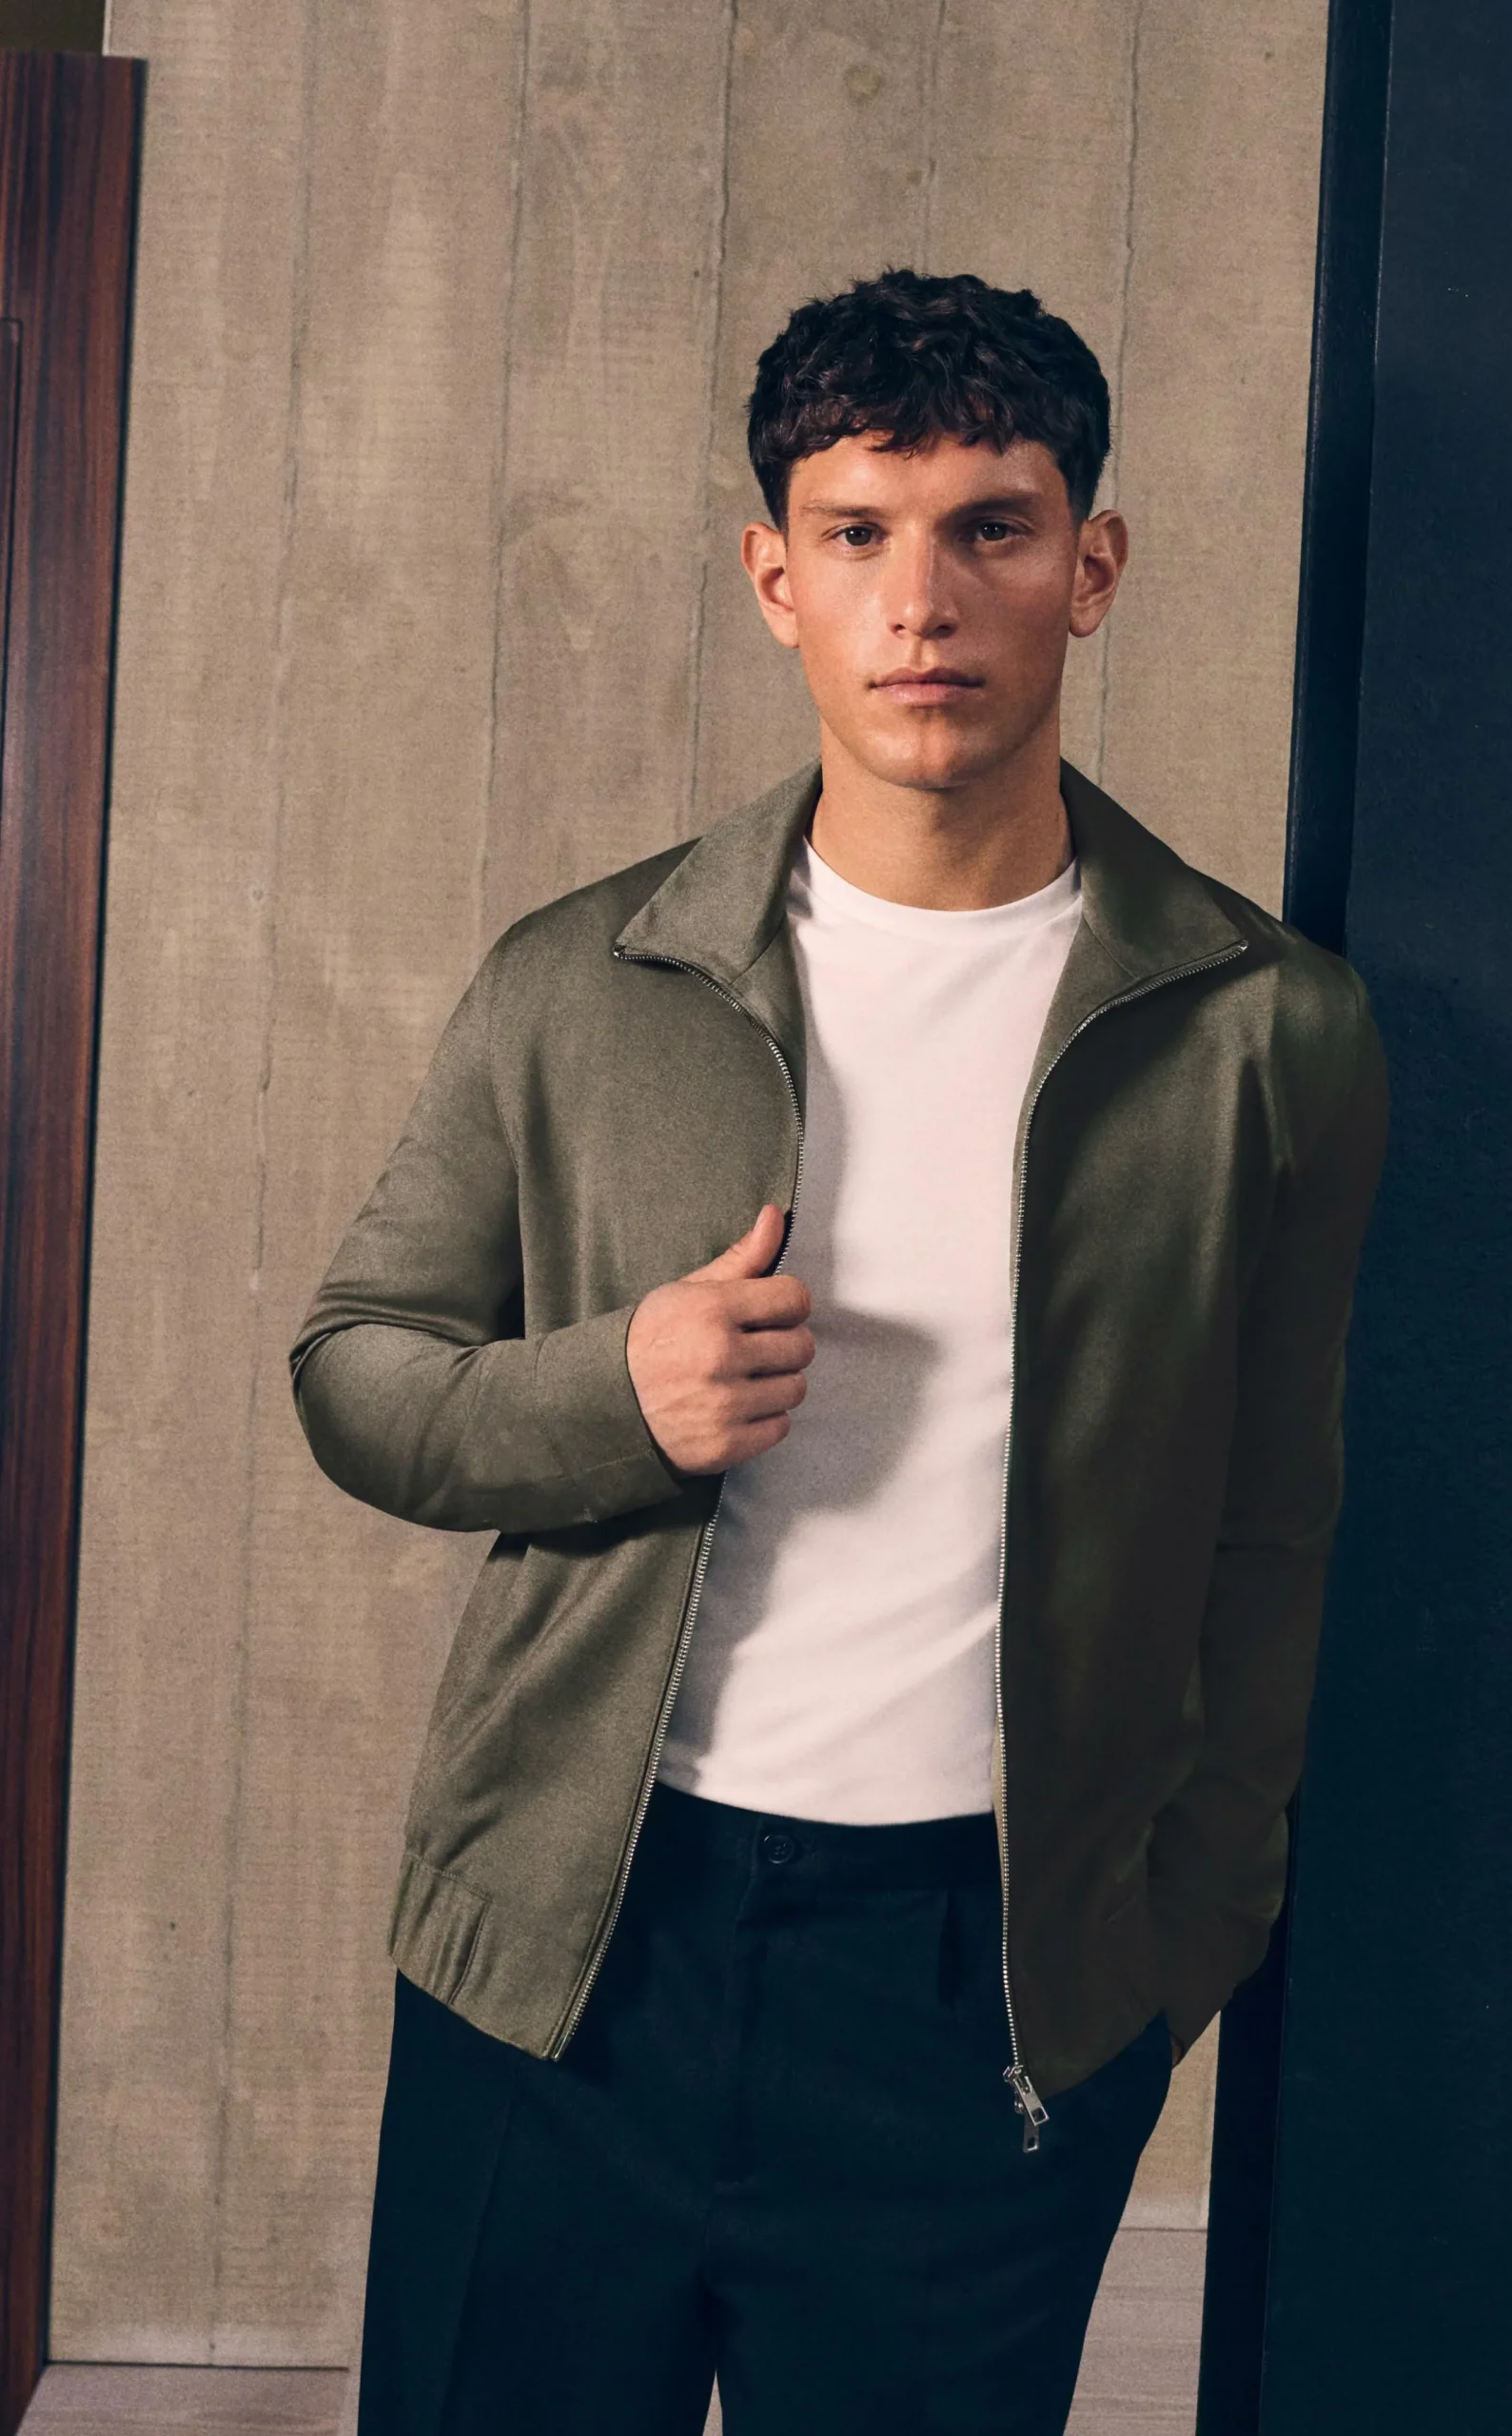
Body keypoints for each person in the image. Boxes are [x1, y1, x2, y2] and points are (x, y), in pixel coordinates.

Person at [292, 267, 1386, 2436]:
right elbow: (358, 1365)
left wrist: (1183, 1931)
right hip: (578, 1943)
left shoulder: (1266, 1033)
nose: (924, 600)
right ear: (773, 578)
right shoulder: (584, 980)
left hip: (983, 1981)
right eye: (860, 532)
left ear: (1092, 566)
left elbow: (1274, 1530)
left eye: (992, 527)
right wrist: (614, 1393)